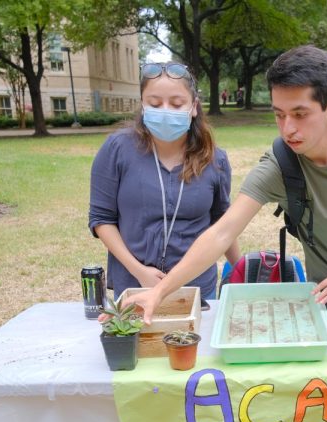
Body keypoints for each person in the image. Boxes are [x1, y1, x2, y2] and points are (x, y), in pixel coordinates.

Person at [127, 45, 327, 323]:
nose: (288, 129)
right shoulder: (279, 165)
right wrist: (159, 292)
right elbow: (221, 234)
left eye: (300, 114)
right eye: (279, 115)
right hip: (325, 290)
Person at [89, 61, 240, 301]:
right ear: (142, 105)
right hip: (135, 288)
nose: (166, 110)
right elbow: (101, 219)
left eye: (177, 103)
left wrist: (242, 271)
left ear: (193, 107)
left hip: (198, 290)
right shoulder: (116, 149)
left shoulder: (215, 159)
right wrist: (138, 271)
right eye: (155, 103)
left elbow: (223, 223)